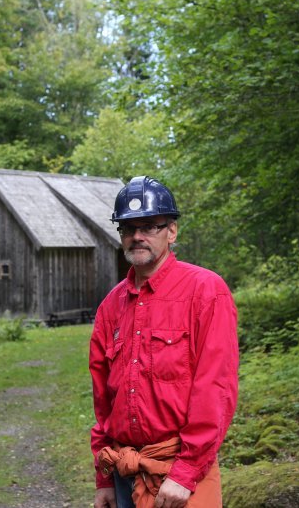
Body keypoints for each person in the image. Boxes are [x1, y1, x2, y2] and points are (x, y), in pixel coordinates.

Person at [89, 176, 239, 508]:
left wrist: (186, 471)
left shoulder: (205, 291)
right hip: (123, 471)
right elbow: (103, 401)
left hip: (182, 475)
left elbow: (216, 387)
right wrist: (104, 478)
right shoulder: (110, 307)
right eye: (128, 229)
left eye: (149, 227)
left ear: (172, 232)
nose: (137, 236)